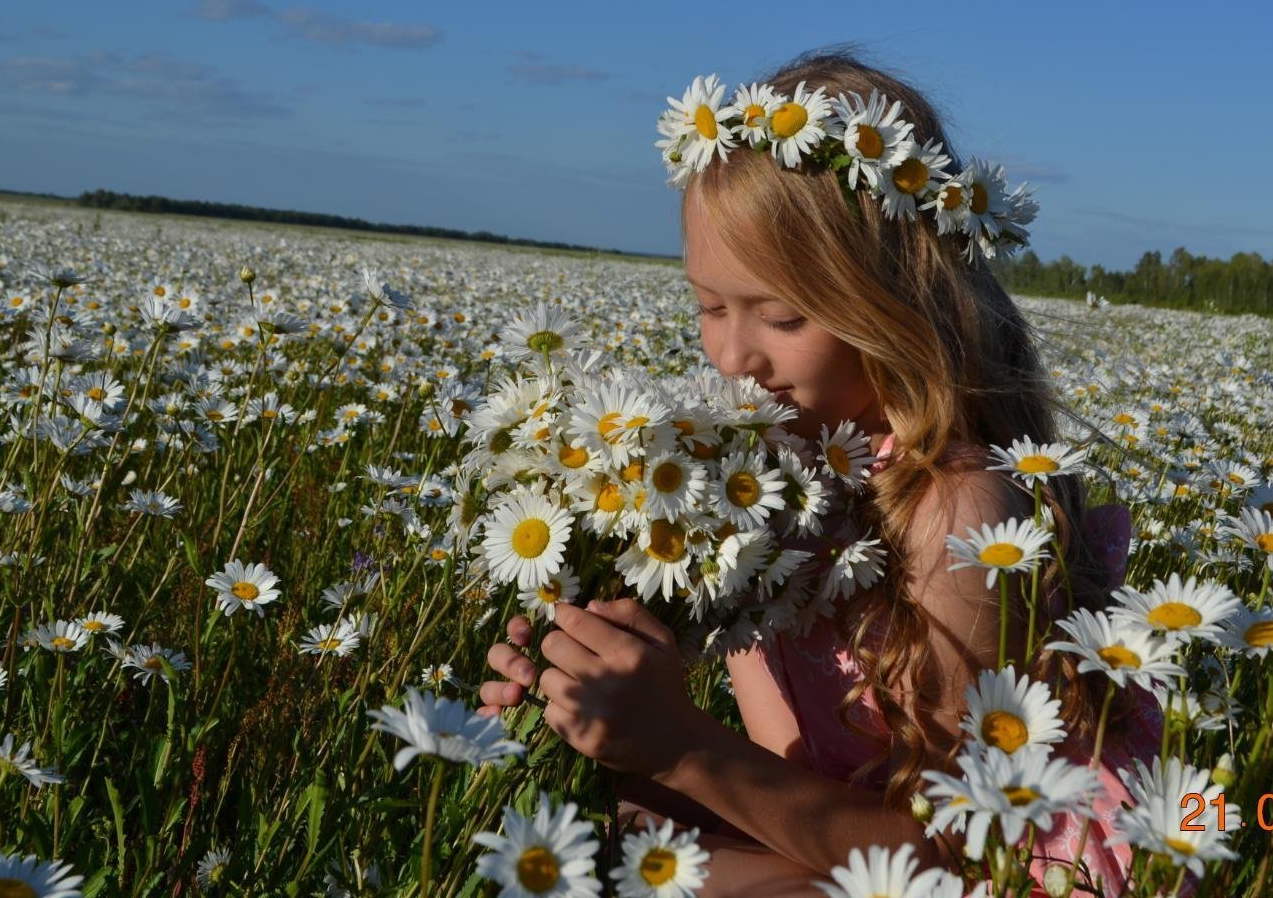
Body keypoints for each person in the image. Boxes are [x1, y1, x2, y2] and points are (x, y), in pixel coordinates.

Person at [477, 47, 1164, 896]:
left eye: (781, 315)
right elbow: (786, 764)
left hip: (1001, 875)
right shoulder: (757, 478)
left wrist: (682, 745)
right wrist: (599, 675)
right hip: (841, 836)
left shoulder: (958, 513)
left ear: (895, 304)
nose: (733, 357)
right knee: (635, 844)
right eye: (708, 306)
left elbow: (954, 859)